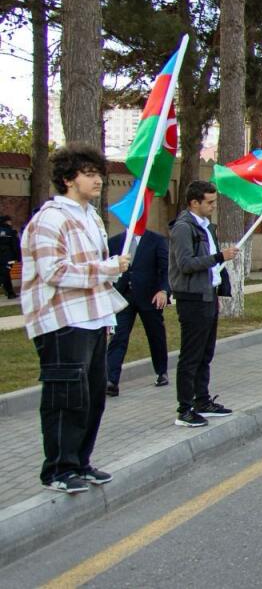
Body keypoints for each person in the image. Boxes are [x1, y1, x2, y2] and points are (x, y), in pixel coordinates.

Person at [21, 144, 129, 493]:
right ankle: (58, 469)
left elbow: (96, 270)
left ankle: (80, 462)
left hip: (94, 319)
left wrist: (109, 282)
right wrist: (107, 268)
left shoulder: (91, 218)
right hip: (62, 321)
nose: (97, 179)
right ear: (68, 179)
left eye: (98, 173)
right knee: (65, 397)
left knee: (92, 397)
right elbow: (54, 271)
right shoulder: (50, 219)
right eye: (88, 173)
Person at [169, 180, 238, 428]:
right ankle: (184, 408)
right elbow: (186, 263)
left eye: (213, 202)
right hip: (192, 297)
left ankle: (202, 400)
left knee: (205, 353)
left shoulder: (207, 227)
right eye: (208, 202)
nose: (212, 206)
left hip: (208, 294)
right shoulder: (183, 228)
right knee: (191, 354)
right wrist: (219, 257)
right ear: (194, 202)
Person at [105, 228, 169, 396]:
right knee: (119, 336)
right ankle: (111, 380)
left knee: (156, 335)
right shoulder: (115, 241)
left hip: (150, 296)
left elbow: (165, 268)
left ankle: (161, 372)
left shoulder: (156, 240)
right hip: (124, 297)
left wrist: (163, 290)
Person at [0, 213, 19, 299]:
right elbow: (15, 245)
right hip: (8, 257)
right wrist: (18, 257)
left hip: (2, 257)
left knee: (5, 273)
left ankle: (10, 292)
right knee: (5, 273)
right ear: (7, 221)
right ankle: (10, 293)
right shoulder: (10, 231)